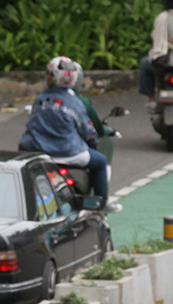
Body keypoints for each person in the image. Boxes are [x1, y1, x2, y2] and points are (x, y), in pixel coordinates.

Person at [19, 56, 110, 200]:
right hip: (69, 153)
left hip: (39, 152)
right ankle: (101, 203)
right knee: (100, 162)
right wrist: (94, 144)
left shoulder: (40, 99)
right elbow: (88, 131)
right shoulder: (75, 102)